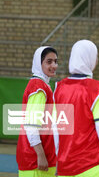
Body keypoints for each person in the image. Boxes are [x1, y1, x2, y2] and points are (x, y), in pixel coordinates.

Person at [53, 40, 99, 177]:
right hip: (91, 166)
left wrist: (56, 158)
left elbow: (55, 128)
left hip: (65, 167)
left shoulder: (59, 88)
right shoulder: (97, 89)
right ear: (89, 58)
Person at [16, 46, 58, 177]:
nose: (54, 65)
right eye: (49, 61)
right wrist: (40, 155)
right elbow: (31, 125)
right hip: (35, 163)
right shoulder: (38, 87)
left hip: (42, 161)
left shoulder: (43, 85)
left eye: (56, 61)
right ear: (39, 64)